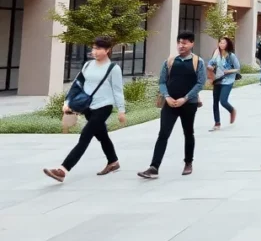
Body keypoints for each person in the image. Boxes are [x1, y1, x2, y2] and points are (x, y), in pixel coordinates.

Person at [44, 36, 126, 182]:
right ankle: (113, 161)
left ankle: (63, 170)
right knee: (102, 136)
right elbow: (77, 85)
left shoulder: (113, 68)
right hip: (88, 106)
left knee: (85, 137)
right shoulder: (88, 65)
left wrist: (121, 110)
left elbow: (118, 91)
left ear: (107, 50)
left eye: (98, 48)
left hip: (104, 106)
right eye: (93, 48)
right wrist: (68, 101)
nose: (94, 51)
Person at [138, 31, 206, 179]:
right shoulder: (169, 61)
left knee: (188, 133)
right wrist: (167, 96)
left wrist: (185, 98)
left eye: (185, 43)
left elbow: (200, 83)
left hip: (189, 104)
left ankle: (188, 162)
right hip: (170, 104)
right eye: (179, 42)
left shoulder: (197, 62)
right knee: (163, 134)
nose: (181, 46)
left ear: (192, 44)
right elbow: (162, 81)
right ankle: (154, 167)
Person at [208, 36, 240, 132]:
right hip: (218, 79)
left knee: (223, 101)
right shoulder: (216, 54)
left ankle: (231, 110)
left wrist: (228, 71)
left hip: (228, 80)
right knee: (215, 102)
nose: (221, 44)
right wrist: (210, 67)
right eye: (220, 42)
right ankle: (217, 123)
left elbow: (238, 68)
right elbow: (211, 63)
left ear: (227, 44)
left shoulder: (231, 56)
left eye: (224, 43)